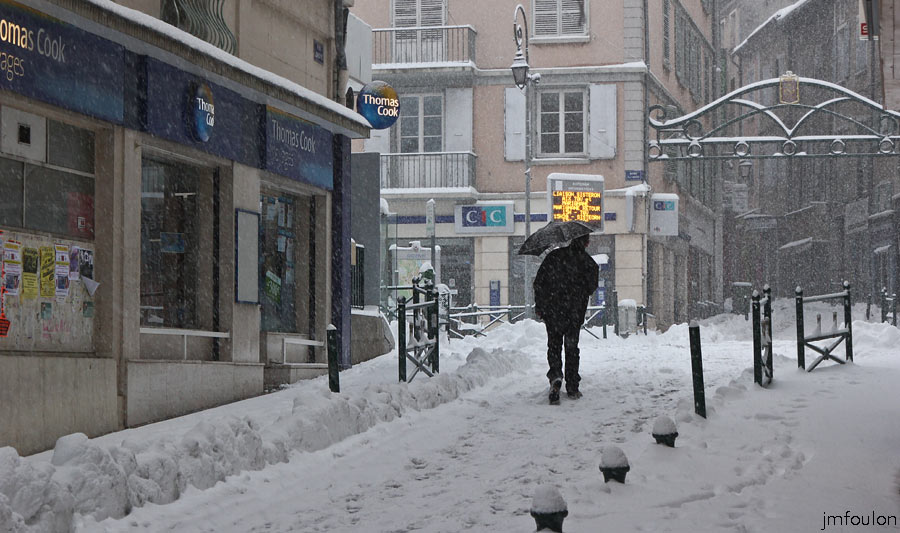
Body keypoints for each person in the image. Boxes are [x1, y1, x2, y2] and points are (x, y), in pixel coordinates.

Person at [532, 234, 599, 404]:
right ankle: (572, 386)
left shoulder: (553, 257)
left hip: (553, 311)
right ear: (586, 242)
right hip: (574, 313)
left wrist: (541, 306)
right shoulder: (587, 262)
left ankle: (555, 376)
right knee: (571, 348)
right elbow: (591, 286)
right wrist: (577, 292)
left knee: (554, 346)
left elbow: (539, 283)